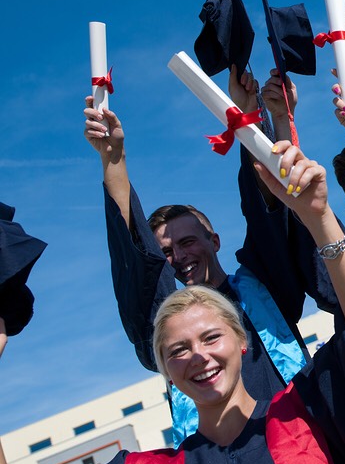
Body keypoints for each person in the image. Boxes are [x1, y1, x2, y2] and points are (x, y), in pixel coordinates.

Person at [0, 145, 345, 464]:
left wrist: (258, 132)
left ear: (241, 340)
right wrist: (114, 166)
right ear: (164, 361)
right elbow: (141, 271)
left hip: (296, 434)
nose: (200, 355)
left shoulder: (317, 415)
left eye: (211, 336)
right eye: (179, 348)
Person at [83, 66, 316, 444]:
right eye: (167, 251)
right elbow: (136, 259)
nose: (179, 255)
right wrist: (114, 161)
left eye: (188, 242)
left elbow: (269, 209)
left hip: (306, 449)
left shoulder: (265, 287)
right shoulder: (168, 328)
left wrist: (250, 114)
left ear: (215, 241)